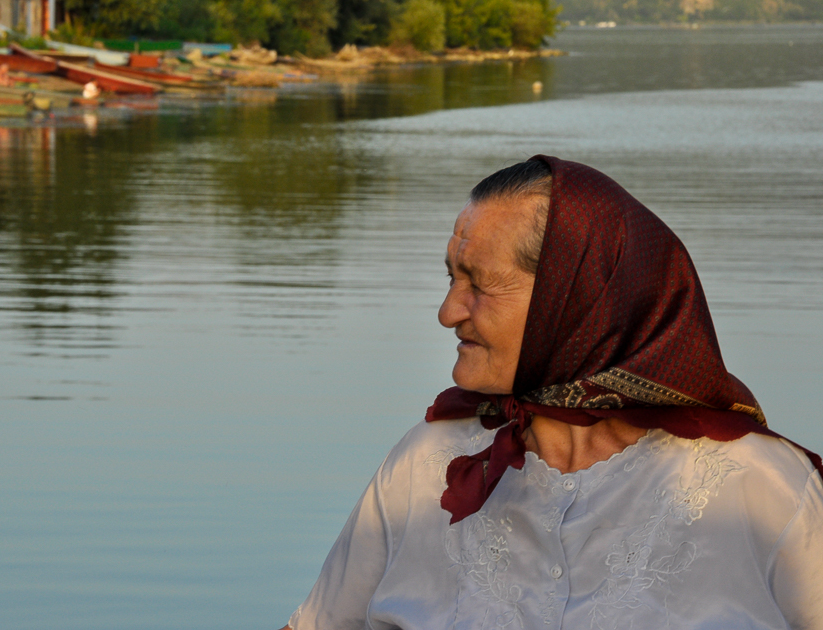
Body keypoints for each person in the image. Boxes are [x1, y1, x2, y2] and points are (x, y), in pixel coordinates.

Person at [283, 156, 823, 630]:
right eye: (451, 278)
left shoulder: (763, 488)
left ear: (578, 298)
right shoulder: (424, 464)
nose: (448, 312)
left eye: (480, 283)